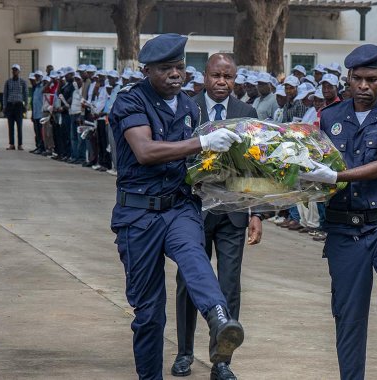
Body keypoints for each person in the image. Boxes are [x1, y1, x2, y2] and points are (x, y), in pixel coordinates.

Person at [108, 34, 245, 380]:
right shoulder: (131, 102)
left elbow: (193, 163)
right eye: (165, 68)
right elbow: (145, 151)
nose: (174, 74)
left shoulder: (188, 106)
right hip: (138, 214)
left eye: (180, 67)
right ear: (146, 70)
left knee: (194, 257)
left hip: (179, 206)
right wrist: (201, 142)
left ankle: (219, 319)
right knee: (150, 313)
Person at [299, 44, 377, 379]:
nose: (365, 86)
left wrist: (336, 176)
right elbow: (317, 163)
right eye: (359, 79)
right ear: (348, 79)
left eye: (373, 79)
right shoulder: (330, 116)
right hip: (343, 226)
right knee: (348, 315)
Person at [173, 53, 261, 380]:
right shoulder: (187, 107)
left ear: (235, 80)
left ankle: (221, 361)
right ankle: (184, 352)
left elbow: (255, 167)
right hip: (193, 211)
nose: (222, 82)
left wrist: (256, 213)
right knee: (188, 282)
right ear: (204, 76)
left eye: (228, 77)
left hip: (232, 213)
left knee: (228, 285)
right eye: (216, 75)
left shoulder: (246, 113)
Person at [3, 63, 27, 150]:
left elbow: (25, 94)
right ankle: (11, 144)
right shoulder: (8, 82)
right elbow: (5, 94)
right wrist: (4, 106)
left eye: (16, 70)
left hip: (19, 105)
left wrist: (26, 105)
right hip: (10, 105)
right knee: (10, 126)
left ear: (19, 71)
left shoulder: (23, 82)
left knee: (19, 126)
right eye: (13, 70)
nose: (14, 71)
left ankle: (20, 144)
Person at [31, 70, 46, 154]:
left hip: (41, 113)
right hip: (36, 113)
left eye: (38, 76)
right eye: (36, 76)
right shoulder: (36, 87)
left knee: (41, 132)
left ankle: (42, 147)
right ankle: (38, 147)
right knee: (37, 132)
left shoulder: (43, 86)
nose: (37, 78)